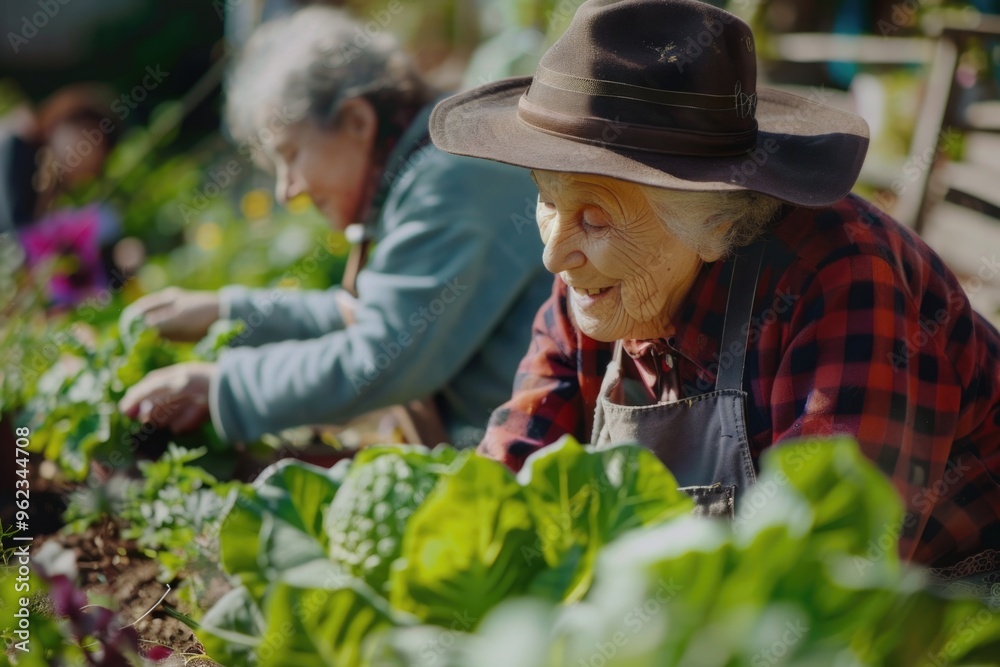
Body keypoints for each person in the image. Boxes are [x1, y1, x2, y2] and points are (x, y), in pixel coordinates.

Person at [429, 0, 1000, 576]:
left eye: (597, 217)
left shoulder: (842, 277)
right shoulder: (595, 277)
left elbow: (829, 568)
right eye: (548, 200)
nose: (555, 254)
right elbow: (510, 469)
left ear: (716, 223)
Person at [118, 7, 551, 448]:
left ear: (357, 122)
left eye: (290, 155)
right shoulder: (429, 161)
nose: (288, 191)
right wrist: (226, 311)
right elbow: (367, 314)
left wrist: (218, 386)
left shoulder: (451, 178)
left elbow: (377, 357)